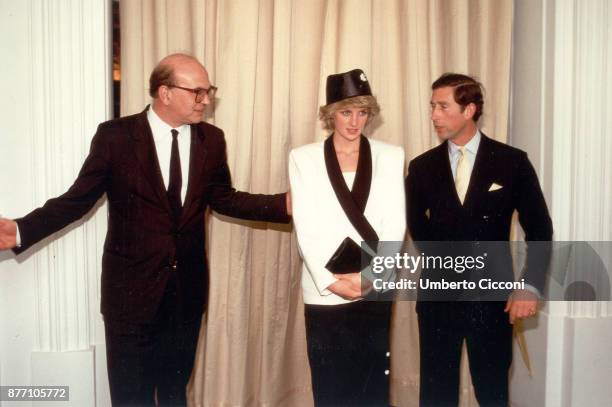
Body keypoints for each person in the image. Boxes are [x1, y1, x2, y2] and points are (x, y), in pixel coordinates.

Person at [0, 53, 290, 406]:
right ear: (164, 92)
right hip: (130, 296)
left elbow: (224, 198)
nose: (206, 99)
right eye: (197, 91)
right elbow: (78, 200)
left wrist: (284, 205)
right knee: (131, 397)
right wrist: (21, 230)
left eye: (208, 90)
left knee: (173, 394)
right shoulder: (116, 137)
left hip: (186, 293)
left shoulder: (212, 140)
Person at [405, 73, 553, 406]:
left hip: (492, 302)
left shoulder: (512, 162)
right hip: (437, 299)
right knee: (435, 395)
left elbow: (541, 229)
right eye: (432, 107)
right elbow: (417, 227)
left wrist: (529, 285)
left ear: (469, 109)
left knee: (492, 392)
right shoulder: (421, 167)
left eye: (443, 106)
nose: (434, 115)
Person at [289, 69, 406, 406]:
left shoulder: (391, 155)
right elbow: (306, 227)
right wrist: (332, 282)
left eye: (362, 112)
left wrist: (372, 277)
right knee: (330, 384)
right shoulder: (303, 158)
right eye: (345, 112)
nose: (355, 122)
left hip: (374, 283)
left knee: (372, 384)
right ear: (329, 114)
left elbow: (394, 223)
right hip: (325, 288)